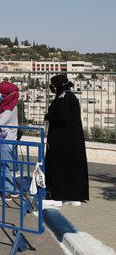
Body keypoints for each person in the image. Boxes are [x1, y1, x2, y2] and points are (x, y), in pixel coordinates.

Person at [43, 74, 89, 207]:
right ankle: (73, 195)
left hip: (61, 141)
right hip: (73, 140)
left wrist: (49, 116)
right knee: (72, 167)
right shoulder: (70, 96)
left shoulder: (63, 98)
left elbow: (62, 117)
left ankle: (57, 196)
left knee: (58, 167)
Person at [0, 82, 20, 200]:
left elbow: (1, 122)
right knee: (3, 166)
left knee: (4, 166)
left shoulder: (9, 108)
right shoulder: (7, 104)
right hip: (4, 139)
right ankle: (9, 189)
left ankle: (7, 192)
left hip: (6, 141)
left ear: (5, 93)